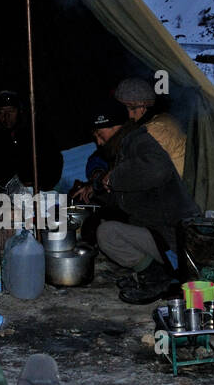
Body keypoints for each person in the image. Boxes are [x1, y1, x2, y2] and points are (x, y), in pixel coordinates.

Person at [85, 103, 199, 304]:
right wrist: (98, 190)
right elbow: (122, 197)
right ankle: (159, 273)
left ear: (115, 126)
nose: (99, 143)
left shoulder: (139, 141)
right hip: (158, 232)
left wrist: (115, 177)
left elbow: (158, 170)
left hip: (176, 237)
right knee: (102, 227)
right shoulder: (122, 150)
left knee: (107, 235)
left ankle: (161, 277)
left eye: (99, 134)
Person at [0, 90, 63, 191]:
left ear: (19, 111)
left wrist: (41, 184)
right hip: (2, 195)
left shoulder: (36, 133)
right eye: (2, 112)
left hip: (38, 190)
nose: (6, 116)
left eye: (11, 111)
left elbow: (54, 161)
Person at [114, 77, 187, 179]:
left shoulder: (156, 129)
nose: (124, 114)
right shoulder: (159, 121)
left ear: (142, 107)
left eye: (127, 108)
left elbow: (142, 172)